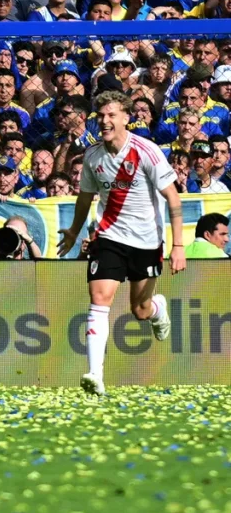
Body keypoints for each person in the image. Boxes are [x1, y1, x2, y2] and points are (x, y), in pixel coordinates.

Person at [58, 91, 186, 397]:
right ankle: (94, 374)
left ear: (126, 117)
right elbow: (85, 198)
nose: (104, 121)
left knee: (139, 310)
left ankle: (157, 308)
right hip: (108, 237)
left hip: (146, 242)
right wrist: (75, 232)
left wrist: (178, 245)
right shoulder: (92, 156)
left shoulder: (147, 151)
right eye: (100, 115)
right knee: (99, 298)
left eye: (111, 114)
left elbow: (173, 198)